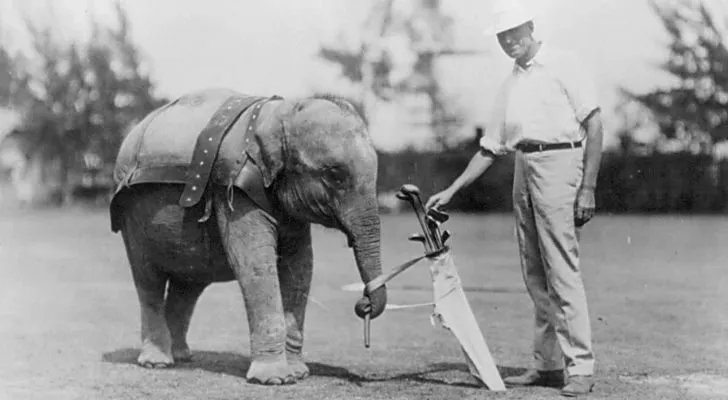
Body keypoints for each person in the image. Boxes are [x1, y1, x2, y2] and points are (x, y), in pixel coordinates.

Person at [425, 1, 603, 397]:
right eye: (502, 37)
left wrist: (588, 186)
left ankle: (581, 367)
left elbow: (594, 123)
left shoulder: (564, 64)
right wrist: (452, 190)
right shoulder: (511, 83)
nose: (509, 42)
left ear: (531, 28)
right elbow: (490, 148)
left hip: (562, 162)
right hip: (524, 165)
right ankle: (548, 365)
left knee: (562, 268)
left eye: (514, 33)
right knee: (535, 271)